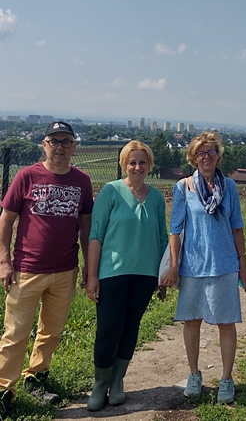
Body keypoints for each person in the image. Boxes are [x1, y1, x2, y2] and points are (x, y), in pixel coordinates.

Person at [0, 121, 93, 419]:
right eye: (54, 141)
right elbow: (6, 220)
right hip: (26, 269)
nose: (60, 147)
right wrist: (4, 261)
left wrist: (88, 267)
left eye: (66, 142)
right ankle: (4, 391)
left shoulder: (82, 181)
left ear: (74, 147)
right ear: (44, 144)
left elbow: (86, 226)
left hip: (65, 270)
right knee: (15, 333)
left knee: (51, 331)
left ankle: (35, 377)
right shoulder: (27, 176)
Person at [161, 131, 246, 404]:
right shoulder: (183, 187)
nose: (207, 157)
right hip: (192, 265)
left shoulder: (230, 187)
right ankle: (194, 374)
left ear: (218, 155)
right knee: (192, 321)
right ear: (193, 157)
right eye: (201, 152)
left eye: (211, 152)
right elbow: (175, 230)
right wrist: (174, 265)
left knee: (226, 322)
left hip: (224, 265)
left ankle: (226, 378)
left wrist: (242, 264)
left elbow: (236, 226)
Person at [85, 141, 168, 411]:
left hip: (145, 275)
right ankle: (100, 385)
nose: (137, 166)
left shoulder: (156, 197)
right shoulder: (110, 192)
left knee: (131, 328)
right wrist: (93, 275)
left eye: (142, 162)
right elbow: (95, 236)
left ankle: (118, 381)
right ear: (123, 164)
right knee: (109, 330)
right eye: (132, 162)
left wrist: (162, 275)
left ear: (150, 165)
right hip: (112, 273)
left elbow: (161, 237)